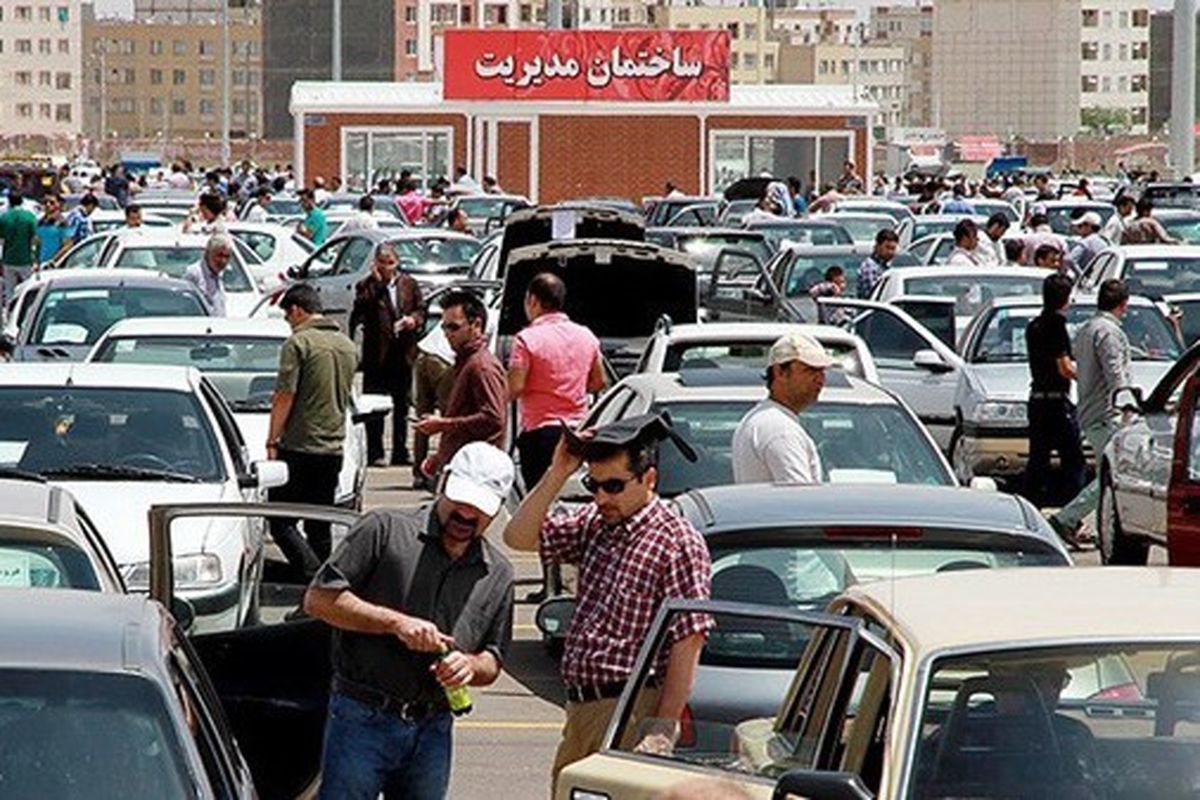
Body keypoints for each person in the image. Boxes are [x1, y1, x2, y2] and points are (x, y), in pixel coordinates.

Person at [502, 414, 714, 790]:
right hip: (580, 710)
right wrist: (558, 472)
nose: (602, 498)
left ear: (649, 479)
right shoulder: (594, 524)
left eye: (614, 486)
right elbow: (518, 537)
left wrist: (662, 728)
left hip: (631, 708)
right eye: (593, 485)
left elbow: (689, 638)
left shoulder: (676, 541)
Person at [303, 441, 515, 800]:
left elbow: (492, 659)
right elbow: (319, 600)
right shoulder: (384, 529)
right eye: (460, 500)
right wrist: (395, 623)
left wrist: (468, 666)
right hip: (362, 717)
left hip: (434, 727)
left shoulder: (497, 574)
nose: (465, 514)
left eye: (479, 508)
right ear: (442, 483)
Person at [267, 283, 358, 579]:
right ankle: (326, 583)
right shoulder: (347, 345)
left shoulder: (298, 343)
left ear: (296, 310)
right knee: (319, 524)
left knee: (280, 521)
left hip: (299, 446)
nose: (289, 323)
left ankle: (313, 575)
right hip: (332, 448)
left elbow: (285, 395)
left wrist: (272, 440)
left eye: (287, 316)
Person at [1048, 280, 1132, 547]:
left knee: (1105, 477)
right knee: (1111, 476)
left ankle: (1104, 528)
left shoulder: (1087, 329)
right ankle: (1065, 519)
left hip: (1089, 410)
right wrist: (1127, 404)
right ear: (1123, 304)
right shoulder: (1108, 332)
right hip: (1106, 414)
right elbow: (1114, 372)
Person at [415, 290, 507, 478]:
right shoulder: (465, 362)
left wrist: (443, 424)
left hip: (476, 473)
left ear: (476, 325)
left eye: (454, 327)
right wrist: (440, 456)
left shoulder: (481, 366)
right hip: (459, 467)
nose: (447, 334)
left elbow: (493, 419)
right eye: (444, 328)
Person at [350, 242, 424, 466]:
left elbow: (421, 309)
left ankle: (400, 450)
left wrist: (413, 320)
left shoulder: (409, 284)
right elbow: (361, 309)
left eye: (390, 263)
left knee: (402, 405)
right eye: (382, 263)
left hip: (402, 354)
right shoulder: (366, 286)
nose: (386, 267)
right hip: (377, 356)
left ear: (397, 263)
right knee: (376, 406)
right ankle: (375, 451)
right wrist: (378, 284)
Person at [732, 333, 831, 484]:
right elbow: (799, 496)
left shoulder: (763, 420)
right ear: (779, 372)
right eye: (810, 370)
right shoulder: (780, 430)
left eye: (822, 371)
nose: (821, 379)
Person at [1024, 273, 1085, 510]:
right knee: (1074, 461)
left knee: (1038, 460)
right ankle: (1071, 514)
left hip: (1037, 401)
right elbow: (1065, 368)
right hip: (1056, 404)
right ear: (1064, 298)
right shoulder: (1056, 326)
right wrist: (1088, 378)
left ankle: (1033, 509)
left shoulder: (1033, 326)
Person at [412, 322, 456, 491]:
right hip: (444, 359)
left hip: (425, 354)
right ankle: (441, 470)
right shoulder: (482, 316)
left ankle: (418, 473)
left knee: (422, 418)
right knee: (448, 418)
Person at [0, 193, 37, 304]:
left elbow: (1, 240)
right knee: (28, 289)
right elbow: (34, 238)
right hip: (25, 259)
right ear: (22, 201)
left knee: (9, 291)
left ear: (9, 202)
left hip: (9, 259)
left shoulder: (4, 218)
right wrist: (35, 257)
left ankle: (9, 311)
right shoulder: (30, 217)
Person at [185, 234, 232, 316]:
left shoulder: (218, 274)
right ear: (207, 254)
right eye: (219, 255)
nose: (223, 261)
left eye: (226, 256)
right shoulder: (194, 274)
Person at [858, 228, 899, 298]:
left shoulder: (885, 267)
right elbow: (873, 295)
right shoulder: (869, 267)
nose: (890, 252)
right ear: (877, 246)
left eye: (893, 249)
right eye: (887, 247)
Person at [35, 193, 69, 264]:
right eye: (45, 202)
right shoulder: (40, 223)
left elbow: (67, 245)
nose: (48, 205)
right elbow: (37, 244)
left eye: (52, 202)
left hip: (56, 265)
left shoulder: (63, 223)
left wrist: (53, 261)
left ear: (58, 204)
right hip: (41, 264)